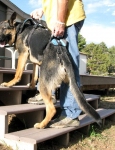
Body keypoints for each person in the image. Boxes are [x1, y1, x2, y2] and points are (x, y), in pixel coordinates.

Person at [28, 0, 86, 128]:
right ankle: (49, 95)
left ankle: (70, 114)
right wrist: (43, 10)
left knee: (68, 64)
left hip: (67, 19)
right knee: (53, 62)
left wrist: (60, 21)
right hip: (60, 19)